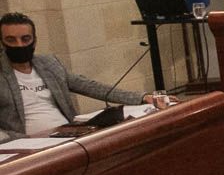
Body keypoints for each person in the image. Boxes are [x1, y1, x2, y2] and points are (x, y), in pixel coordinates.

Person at [1, 11, 159, 139]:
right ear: (2, 43)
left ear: (34, 41)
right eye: (11, 40)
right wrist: (24, 139)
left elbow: (90, 86)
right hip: (27, 145)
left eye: (25, 39)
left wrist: (142, 97)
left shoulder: (48, 64)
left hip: (67, 135)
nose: (19, 45)